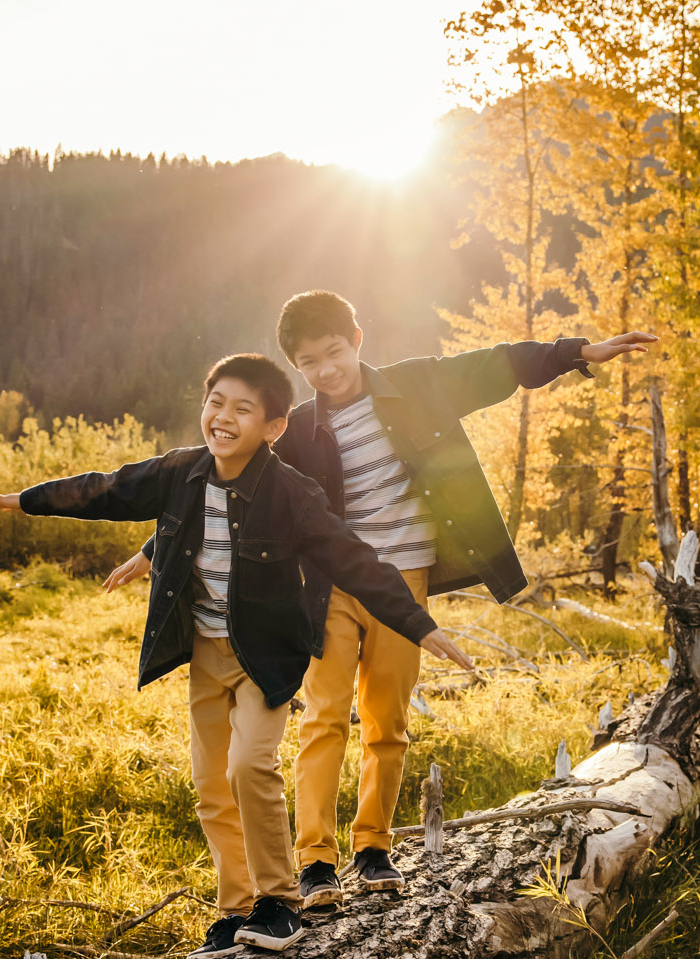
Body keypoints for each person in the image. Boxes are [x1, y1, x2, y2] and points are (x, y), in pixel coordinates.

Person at [104, 293, 655, 907]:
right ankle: (315, 861)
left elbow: (498, 364)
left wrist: (578, 352)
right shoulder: (298, 433)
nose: (326, 370)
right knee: (324, 716)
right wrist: (155, 549)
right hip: (324, 588)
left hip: (403, 582)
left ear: (357, 339)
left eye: (334, 352)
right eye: (309, 362)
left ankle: (373, 847)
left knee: (387, 721)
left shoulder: (418, 386)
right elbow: (231, 483)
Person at [0, 352, 473, 959]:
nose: (223, 417)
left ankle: (280, 900)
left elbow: (353, 559)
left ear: (273, 427)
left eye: (244, 409)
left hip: (264, 655)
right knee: (210, 786)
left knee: (250, 766)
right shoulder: (181, 473)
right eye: (216, 403)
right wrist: (27, 501)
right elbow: (106, 488)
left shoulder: (291, 493)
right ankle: (235, 906)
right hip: (206, 652)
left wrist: (418, 625)